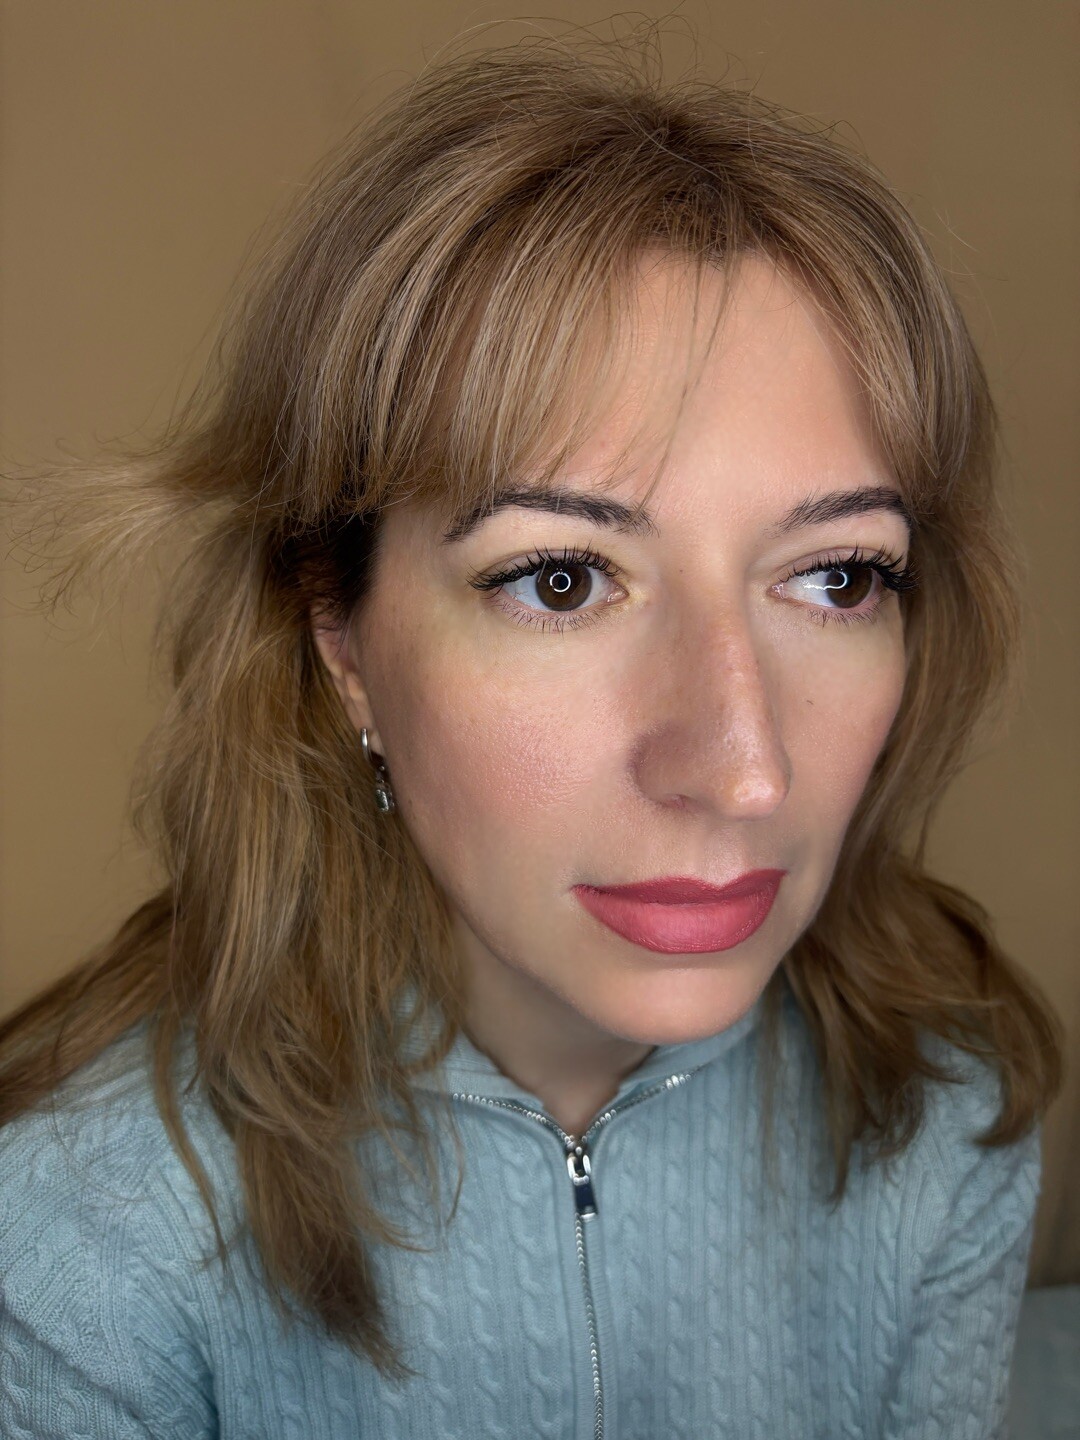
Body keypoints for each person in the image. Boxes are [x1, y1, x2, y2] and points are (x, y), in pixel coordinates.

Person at [0, 33, 1064, 1440]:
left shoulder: (945, 1113)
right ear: (342, 641)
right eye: (560, 580)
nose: (744, 768)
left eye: (835, 577)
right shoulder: (79, 1244)